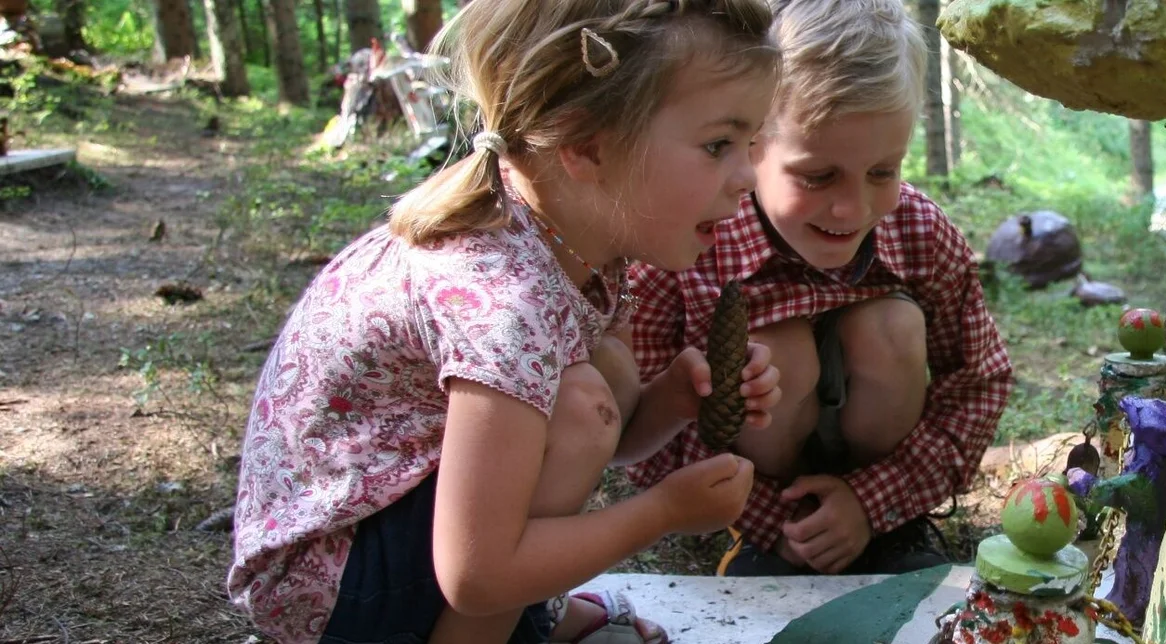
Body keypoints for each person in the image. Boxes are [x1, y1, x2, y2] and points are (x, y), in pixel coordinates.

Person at [225, 1, 783, 642]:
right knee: (580, 403)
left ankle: (524, 615)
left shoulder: (578, 242)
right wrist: (658, 513)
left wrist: (675, 400)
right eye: (719, 144)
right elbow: (477, 574)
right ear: (584, 145)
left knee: (595, 390)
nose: (747, 175)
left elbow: (607, 432)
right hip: (329, 580)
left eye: (751, 143)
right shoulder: (505, 299)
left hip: (388, 525)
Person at [623, 0, 1013, 577]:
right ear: (753, 144)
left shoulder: (918, 230)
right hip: (755, 472)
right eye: (817, 176)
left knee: (891, 327)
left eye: (883, 172)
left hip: (877, 455)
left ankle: (890, 532)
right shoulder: (687, 244)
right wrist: (760, 514)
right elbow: (644, 428)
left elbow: (978, 381)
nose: (853, 208)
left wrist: (873, 499)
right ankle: (777, 536)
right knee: (777, 352)